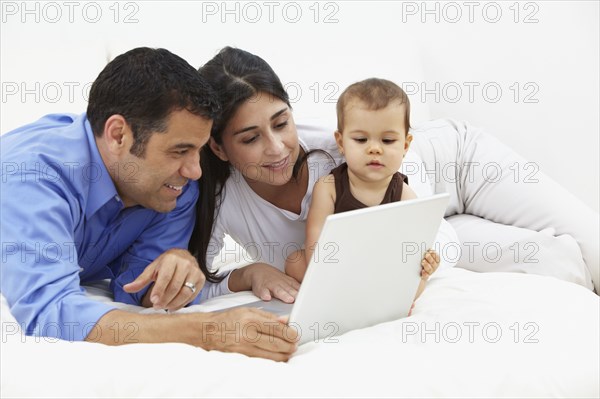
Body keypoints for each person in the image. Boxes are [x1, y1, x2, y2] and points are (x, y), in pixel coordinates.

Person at [0, 47, 297, 362]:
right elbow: (51, 313)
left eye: (197, 150)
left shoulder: (174, 186)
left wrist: (175, 269)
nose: (195, 170)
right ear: (118, 136)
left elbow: (139, 290)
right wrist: (207, 331)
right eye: (179, 150)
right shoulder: (33, 175)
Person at [190, 47, 454, 305]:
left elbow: (442, 233)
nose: (277, 148)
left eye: (281, 124)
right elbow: (193, 283)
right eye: (250, 138)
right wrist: (248, 273)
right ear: (218, 148)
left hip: (448, 153)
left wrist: (411, 263)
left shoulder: (351, 146)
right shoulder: (219, 197)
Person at [283, 78, 440, 302]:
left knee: (417, 276)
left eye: (387, 140)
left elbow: (414, 246)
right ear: (341, 142)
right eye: (361, 139)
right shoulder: (329, 188)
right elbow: (315, 243)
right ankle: (345, 295)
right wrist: (332, 274)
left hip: (380, 265)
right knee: (295, 262)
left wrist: (426, 262)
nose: (374, 148)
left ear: (405, 146)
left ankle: (385, 299)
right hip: (337, 267)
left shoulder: (403, 194)